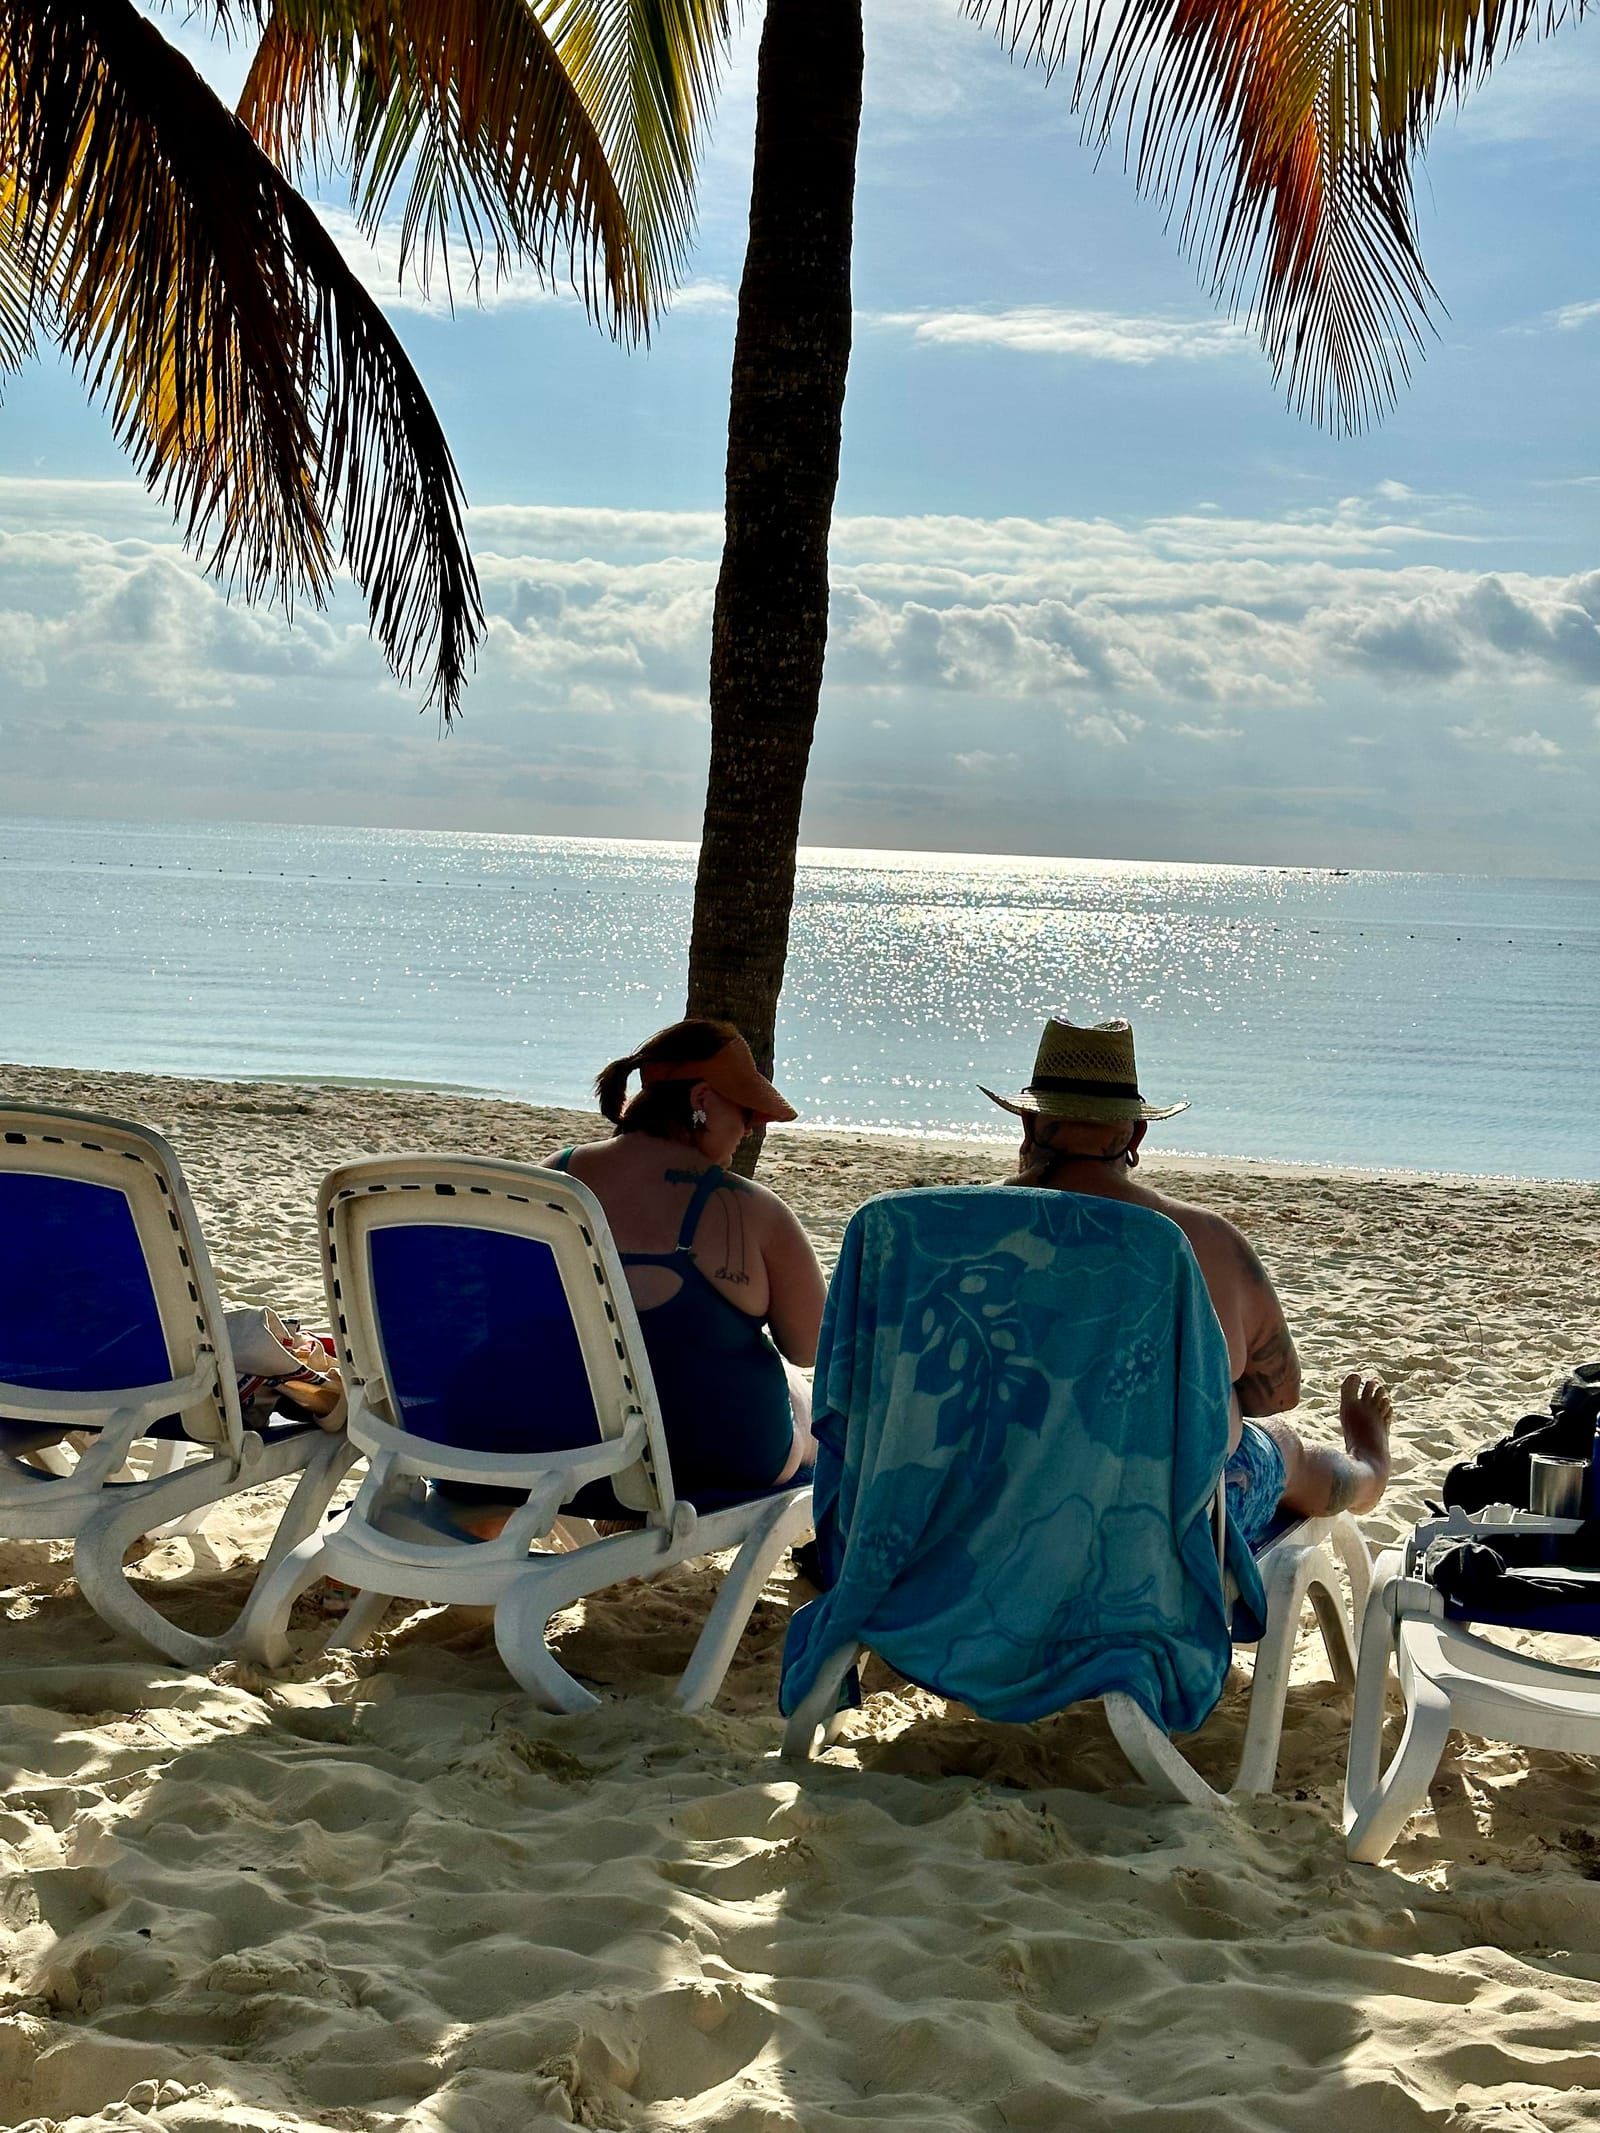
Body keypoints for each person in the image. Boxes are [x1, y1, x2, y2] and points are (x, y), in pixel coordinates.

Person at [981, 1015, 1392, 1546]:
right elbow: (1279, 1392)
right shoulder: (1200, 1240)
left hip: (967, 1513)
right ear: (1136, 1133)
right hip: (1152, 1536)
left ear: (1029, 1124)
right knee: (1281, 1445)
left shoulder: (938, 1233)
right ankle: (1370, 1470)